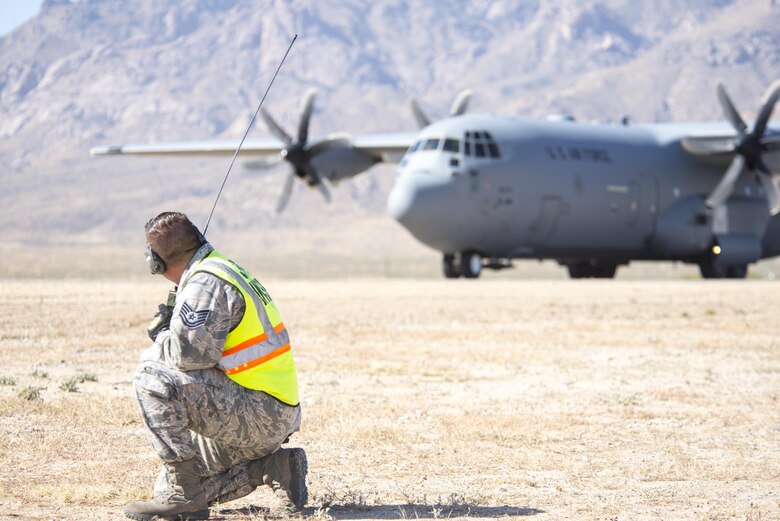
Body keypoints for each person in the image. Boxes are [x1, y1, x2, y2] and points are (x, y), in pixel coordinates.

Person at [122, 211, 306, 521]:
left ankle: (185, 494)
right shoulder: (222, 269)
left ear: (157, 261)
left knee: (150, 378)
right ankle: (272, 469)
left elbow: (188, 356)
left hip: (259, 413)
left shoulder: (207, 282)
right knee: (164, 490)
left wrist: (163, 335)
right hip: (266, 410)